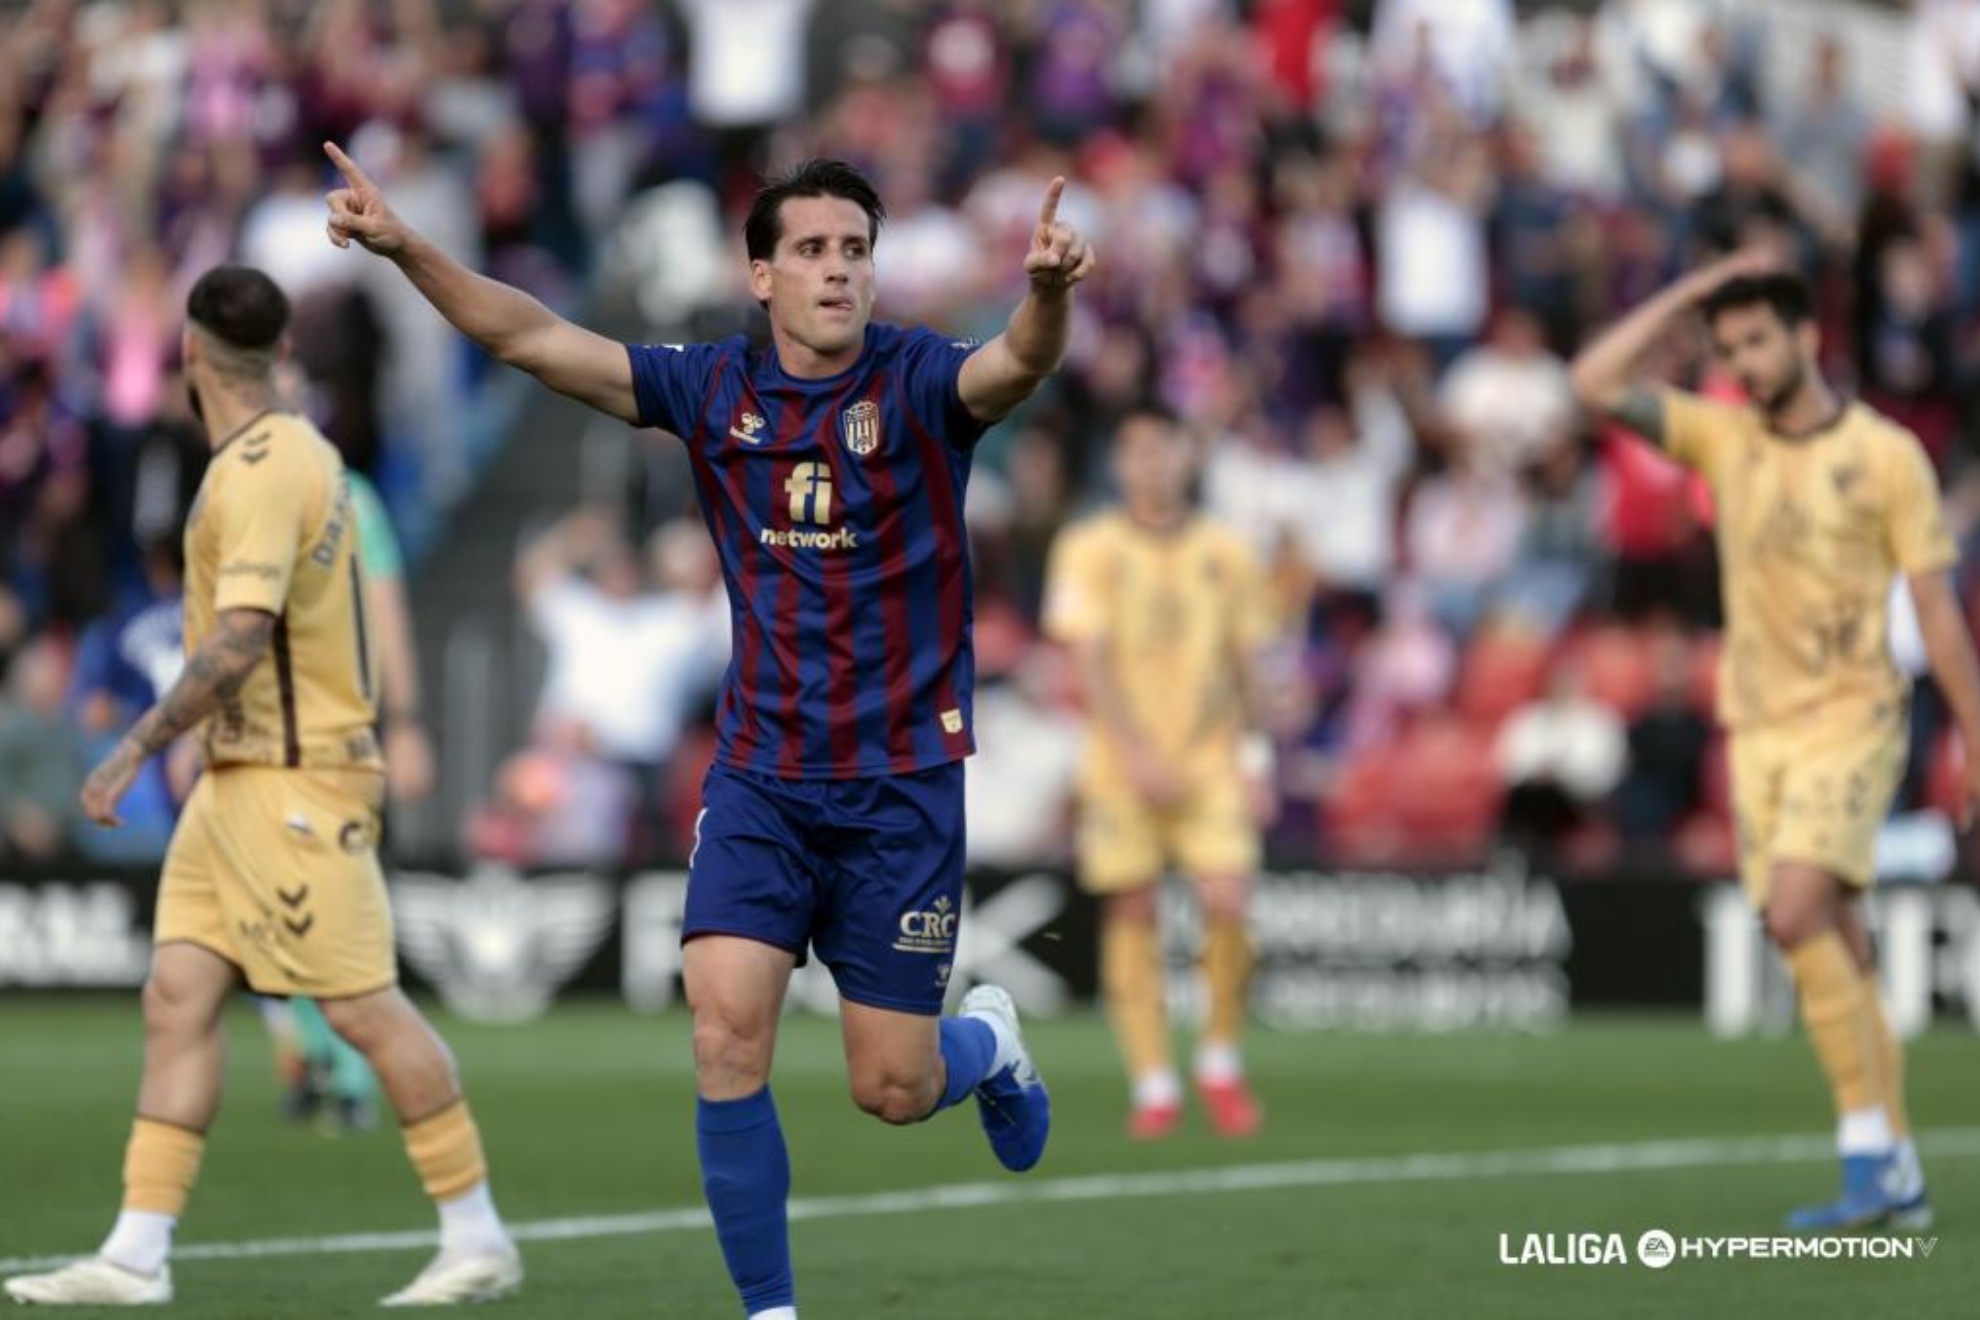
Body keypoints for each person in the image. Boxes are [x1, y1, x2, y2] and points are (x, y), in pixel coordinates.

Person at [323, 145, 1092, 1318]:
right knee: (726, 1037)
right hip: (761, 778)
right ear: (761, 276)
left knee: (892, 1088)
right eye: (813, 251)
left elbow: (1018, 369)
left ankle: (986, 1043)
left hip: (899, 784)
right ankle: (770, 1314)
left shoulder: (921, 382)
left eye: (855, 251)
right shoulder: (709, 390)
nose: (839, 272)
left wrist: (1044, 296)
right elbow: (531, 340)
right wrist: (407, 248)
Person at [3, 266, 521, 1307]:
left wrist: (134, 747)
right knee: (178, 995)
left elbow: (240, 637)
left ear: (191, 356)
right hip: (237, 781)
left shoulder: (261, 471)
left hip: (295, 780)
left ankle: (477, 1233)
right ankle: (137, 1255)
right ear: (278, 355)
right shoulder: (297, 456)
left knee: (361, 1008)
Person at [1569, 252, 1980, 1231]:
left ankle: (1871, 1161)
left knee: (1794, 912)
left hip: (1853, 717)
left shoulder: (1886, 458)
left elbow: (1939, 611)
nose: (1745, 363)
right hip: (1756, 727)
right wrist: (1690, 290)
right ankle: (1890, 1167)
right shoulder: (1721, 437)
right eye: (1729, 348)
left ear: (1808, 336)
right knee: (1827, 939)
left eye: (1758, 339)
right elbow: (1591, 383)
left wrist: (1973, 733)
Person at [1043, 405, 1275, 1140]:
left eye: (1164, 449)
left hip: (1210, 759)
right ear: (1119, 463)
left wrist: (1259, 756)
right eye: (1136, 450)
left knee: (1229, 898)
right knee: (1132, 910)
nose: (1152, 463)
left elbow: (1250, 664)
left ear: (1186, 456)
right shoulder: (1089, 546)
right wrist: (1137, 753)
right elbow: (1088, 661)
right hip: (1119, 762)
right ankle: (1152, 1079)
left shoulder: (1229, 551)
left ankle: (1219, 1058)